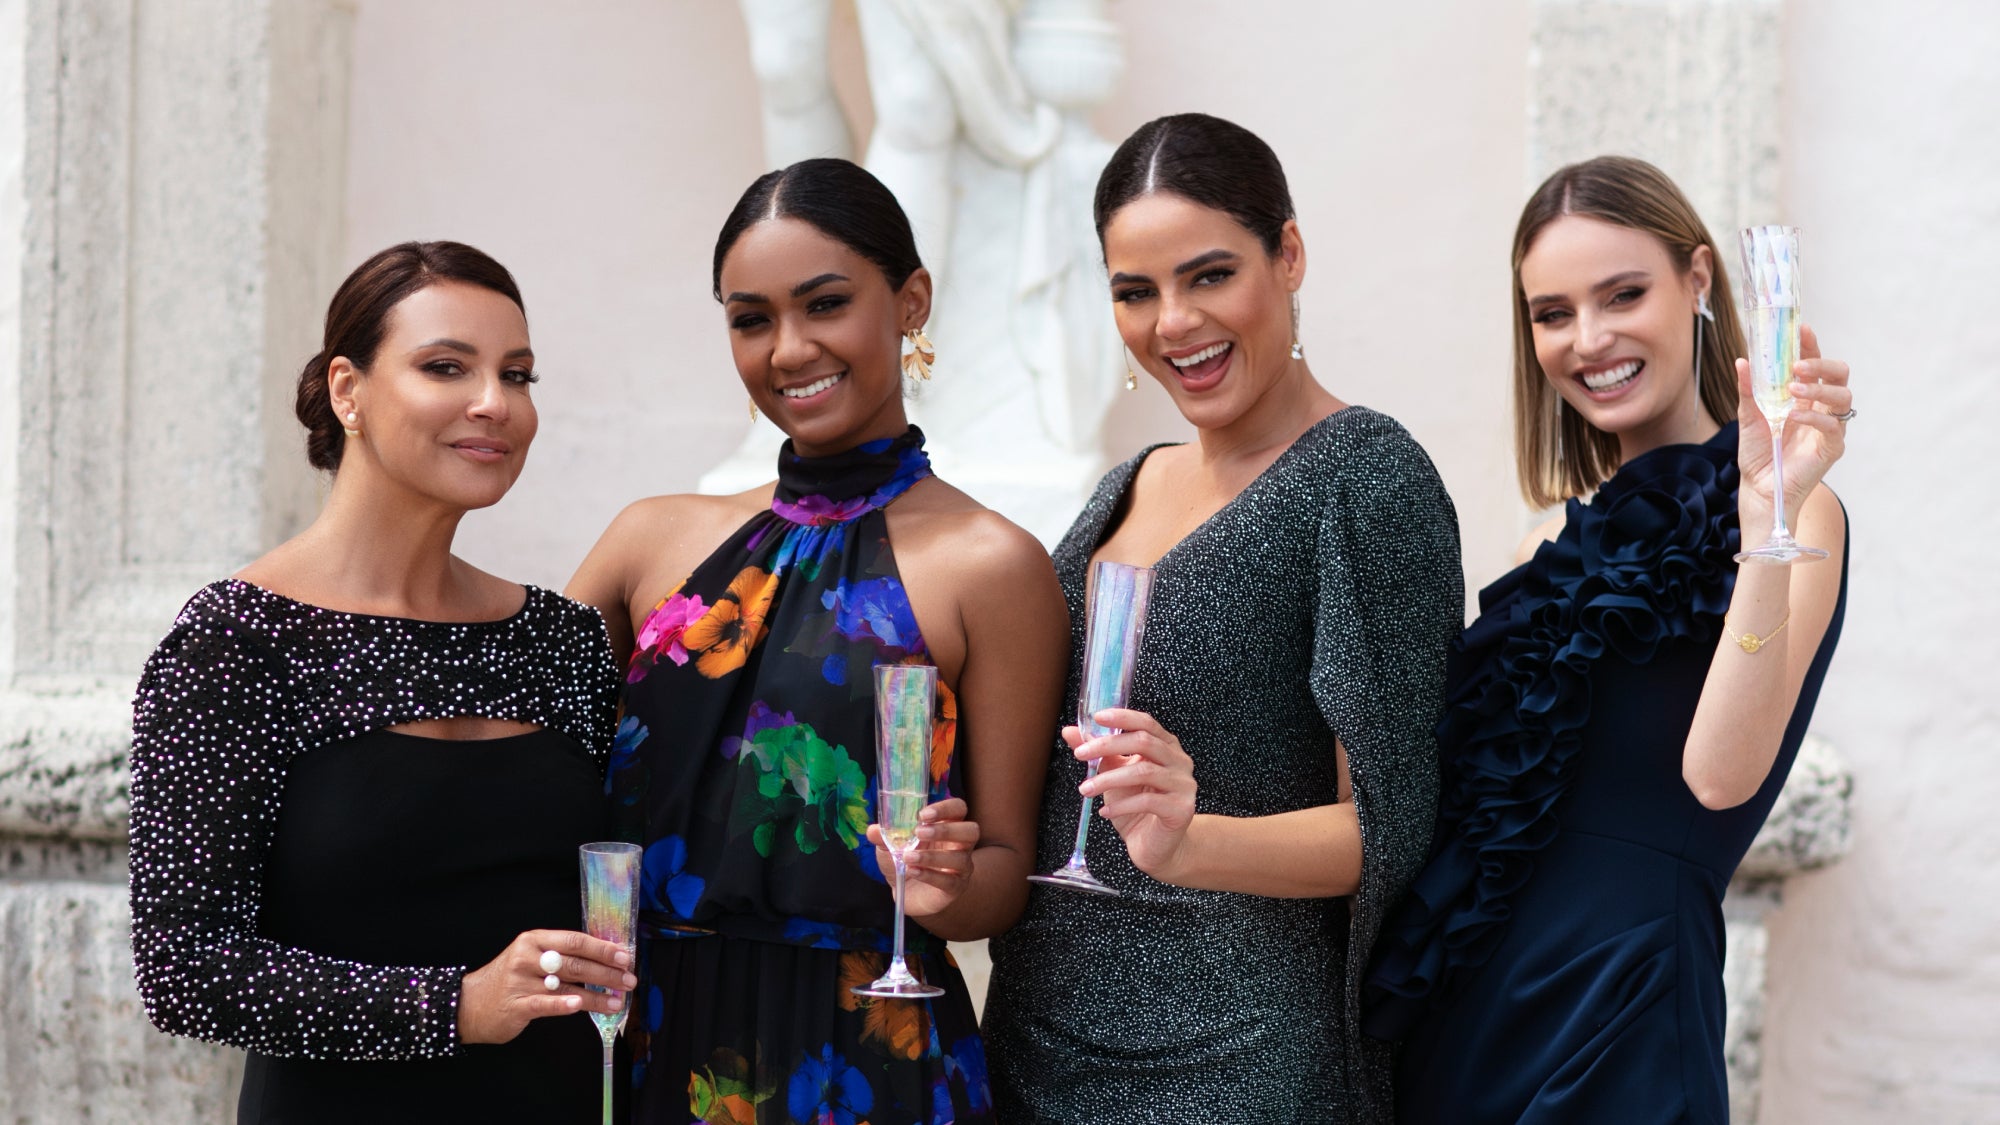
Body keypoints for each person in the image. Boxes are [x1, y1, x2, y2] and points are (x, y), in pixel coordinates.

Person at [980, 112, 1465, 1124]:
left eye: (1209, 276)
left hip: (1238, 1058)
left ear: (1287, 255)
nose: (1173, 323)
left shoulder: (1364, 476)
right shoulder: (1125, 483)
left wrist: (1189, 842)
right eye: (1135, 292)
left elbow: (1389, 827)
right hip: (1035, 1041)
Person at [565, 157, 1067, 1125]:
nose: (789, 349)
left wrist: (947, 885)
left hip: (869, 1058)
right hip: (644, 1038)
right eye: (751, 319)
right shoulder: (645, 540)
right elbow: (513, 759)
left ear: (910, 301)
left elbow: (1006, 875)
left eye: (825, 304)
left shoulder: (993, 565)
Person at [1362, 156, 1852, 1123]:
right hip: (1468, 1023)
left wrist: (1766, 514)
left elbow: (1720, 775)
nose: (1589, 339)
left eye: (1623, 294)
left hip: (1624, 1013)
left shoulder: (1802, 514)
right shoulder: (1539, 545)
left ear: (1698, 280)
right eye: (1553, 313)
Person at [127, 241, 630, 1124]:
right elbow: (185, 969)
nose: (495, 401)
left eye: (517, 374)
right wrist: (455, 1006)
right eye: (447, 366)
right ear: (346, 390)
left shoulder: (562, 640)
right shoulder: (237, 642)